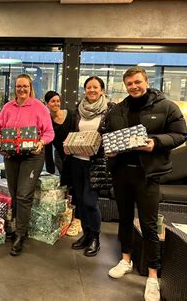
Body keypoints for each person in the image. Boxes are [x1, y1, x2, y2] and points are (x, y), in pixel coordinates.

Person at [106, 67, 187, 301]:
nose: (134, 86)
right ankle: (126, 260)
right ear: (125, 85)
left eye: (137, 82)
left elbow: (181, 134)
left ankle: (153, 276)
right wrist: (109, 152)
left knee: (149, 225)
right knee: (123, 219)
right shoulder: (118, 109)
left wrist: (155, 142)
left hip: (148, 175)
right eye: (129, 83)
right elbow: (110, 136)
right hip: (122, 174)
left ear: (146, 81)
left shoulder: (165, 106)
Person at [0, 73, 54, 256]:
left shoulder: (39, 107)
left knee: (23, 195)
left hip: (32, 157)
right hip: (11, 156)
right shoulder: (7, 107)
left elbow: (49, 133)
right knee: (14, 193)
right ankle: (15, 227)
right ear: (15, 88)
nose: (21, 89)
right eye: (18, 86)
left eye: (25, 86)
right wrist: (0, 143)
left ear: (30, 88)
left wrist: (40, 143)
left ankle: (20, 235)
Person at [67, 76, 114, 257]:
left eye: (95, 87)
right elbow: (73, 132)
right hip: (77, 161)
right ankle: (86, 235)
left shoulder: (110, 110)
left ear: (102, 90)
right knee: (79, 200)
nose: (92, 90)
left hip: (96, 163)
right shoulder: (78, 110)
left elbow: (112, 134)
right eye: (88, 87)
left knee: (90, 201)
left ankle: (95, 238)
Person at [43, 91, 73, 186]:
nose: (56, 104)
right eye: (53, 101)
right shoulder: (47, 121)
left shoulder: (71, 114)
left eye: (58, 101)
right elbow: (47, 149)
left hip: (76, 155)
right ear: (47, 104)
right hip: (62, 158)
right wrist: (50, 171)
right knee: (66, 185)